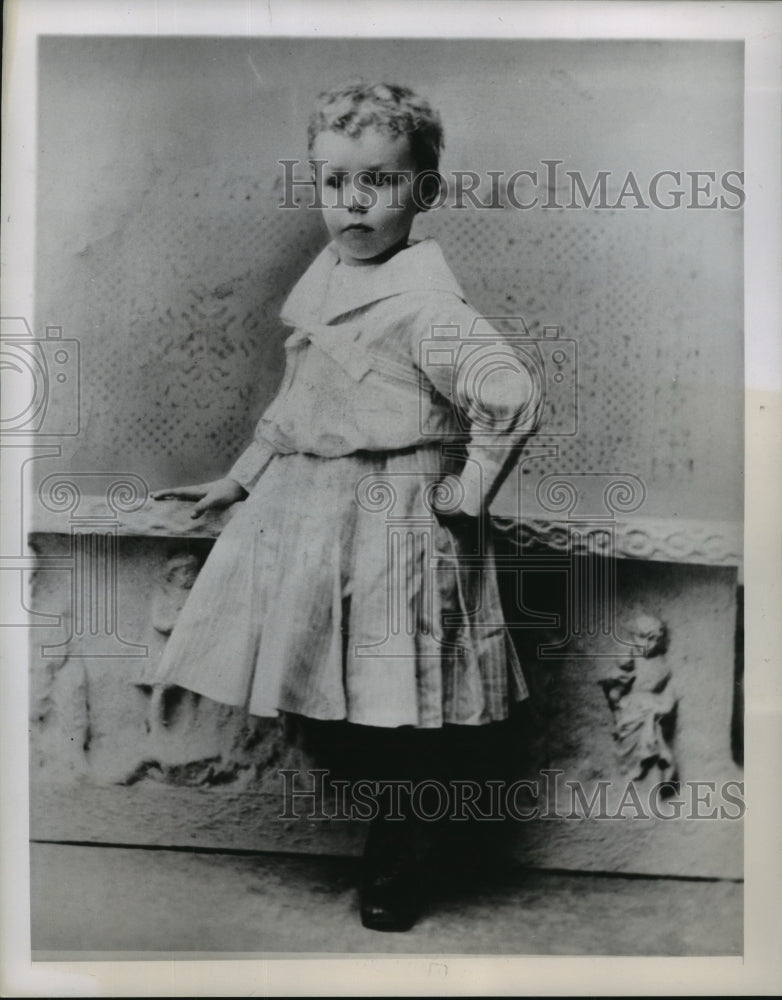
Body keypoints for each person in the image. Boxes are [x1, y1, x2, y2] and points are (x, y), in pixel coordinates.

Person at [152, 79, 540, 932]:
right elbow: (302, 401)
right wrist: (241, 477)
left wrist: (470, 487)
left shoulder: (425, 306)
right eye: (335, 181)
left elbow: (510, 395)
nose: (354, 201)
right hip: (320, 513)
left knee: (403, 703)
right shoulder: (328, 284)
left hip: (399, 519)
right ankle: (387, 834)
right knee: (348, 686)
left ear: (424, 191)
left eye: (380, 180)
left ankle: (400, 857)